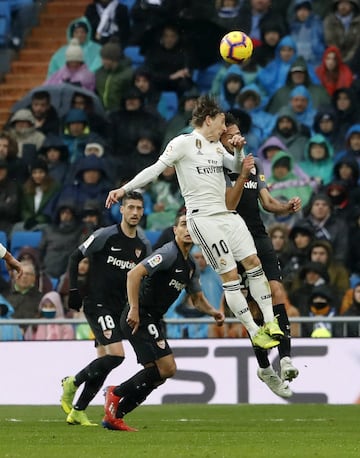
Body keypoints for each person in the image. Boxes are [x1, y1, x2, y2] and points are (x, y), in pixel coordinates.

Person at [106, 95, 284, 351]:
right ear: (208, 119)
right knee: (231, 277)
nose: (225, 129)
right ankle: (255, 331)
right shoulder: (183, 143)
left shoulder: (217, 147)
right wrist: (124, 189)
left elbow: (236, 167)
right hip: (203, 218)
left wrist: (238, 149)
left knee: (254, 264)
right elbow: (155, 170)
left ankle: (270, 322)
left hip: (228, 216)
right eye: (222, 123)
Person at [101, 213, 225, 431]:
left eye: (192, 226)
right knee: (167, 369)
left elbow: (196, 299)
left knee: (156, 376)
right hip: (138, 317)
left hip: (152, 319)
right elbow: (134, 274)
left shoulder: (190, 266)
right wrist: (135, 310)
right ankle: (115, 392)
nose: (187, 230)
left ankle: (116, 416)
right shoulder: (168, 253)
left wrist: (213, 312)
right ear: (175, 230)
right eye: (183, 225)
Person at [221, 114, 300, 398]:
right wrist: (240, 173)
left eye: (238, 133)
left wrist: (286, 207)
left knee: (277, 291)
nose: (236, 138)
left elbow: (266, 203)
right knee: (255, 307)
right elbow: (229, 204)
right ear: (220, 139)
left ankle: (286, 357)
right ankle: (265, 367)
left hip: (258, 235)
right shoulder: (217, 167)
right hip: (233, 239)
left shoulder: (255, 165)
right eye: (230, 135)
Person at [60, 191, 148, 426]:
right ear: (121, 209)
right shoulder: (105, 236)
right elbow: (74, 257)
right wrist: (74, 291)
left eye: (139, 208)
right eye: (130, 207)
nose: (135, 213)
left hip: (119, 309)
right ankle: (73, 382)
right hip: (97, 304)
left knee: (104, 365)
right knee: (117, 356)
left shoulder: (142, 244)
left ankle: (78, 410)